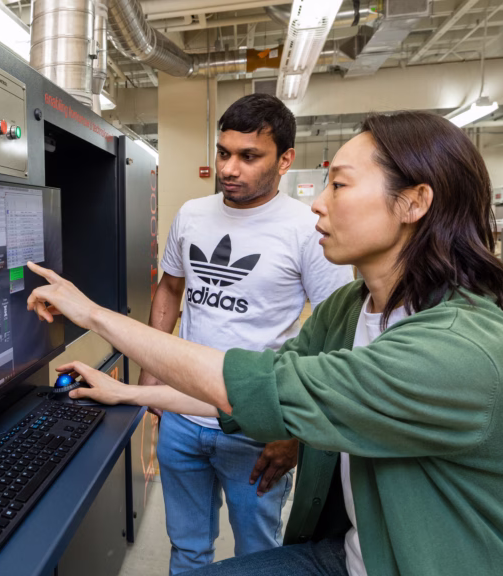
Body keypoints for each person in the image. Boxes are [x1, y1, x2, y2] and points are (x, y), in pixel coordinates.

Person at [25, 111, 503, 576]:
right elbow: (247, 391)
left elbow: (266, 387)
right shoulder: (351, 307)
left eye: (338, 185)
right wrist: (129, 394)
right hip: (356, 554)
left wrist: (93, 314)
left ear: (414, 203)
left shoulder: (459, 348)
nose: (318, 203)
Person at [139, 93, 353, 574]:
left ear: (285, 160)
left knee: (257, 555)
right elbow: (170, 290)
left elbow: (334, 335)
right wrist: (152, 377)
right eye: (223, 153)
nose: (229, 168)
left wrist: (294, 432)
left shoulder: (308, 230)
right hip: (182, 415)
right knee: (187, 548)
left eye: (249, 156)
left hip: (258, 427)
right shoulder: (192, 215)